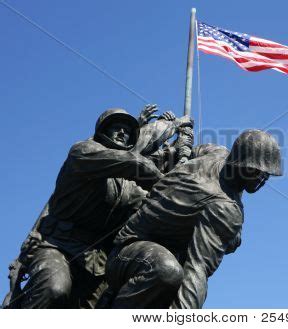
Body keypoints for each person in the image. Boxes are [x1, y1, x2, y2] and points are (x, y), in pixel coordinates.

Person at [5, 106, 192, 309]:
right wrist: (164, 177)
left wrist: (179, 161)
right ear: (102, 132)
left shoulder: (129, 188)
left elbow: (151, 203)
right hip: (59, 246)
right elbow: (135, 163)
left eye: (128, 130)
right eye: (117, 127)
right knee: (55, 288)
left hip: (98, 261)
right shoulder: (83, 152)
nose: (123, 132)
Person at [103, 129, 282, 308]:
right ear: (240, 164)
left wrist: (183, 151)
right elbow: (197, 270)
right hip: (127, 256)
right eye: (256, 170)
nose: (262, 179)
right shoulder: (225, 208)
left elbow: (192, 152)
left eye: (266, 174)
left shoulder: (217, 152)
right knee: (167, 270)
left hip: (141, 250)